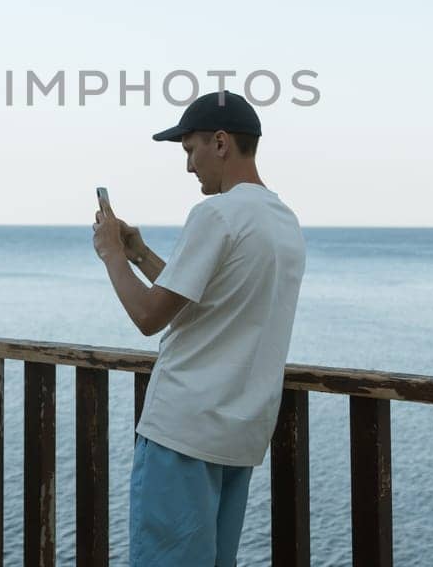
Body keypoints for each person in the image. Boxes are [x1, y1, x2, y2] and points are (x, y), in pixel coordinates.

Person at [92, 91, 307, 567]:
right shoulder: (284, 222)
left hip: (182, 432)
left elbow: (150, 316)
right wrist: (141, 255)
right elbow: (210, 300)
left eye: (191, 149)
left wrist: (110, 253)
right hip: (238, 436)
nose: (189, 165)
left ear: (222, 142)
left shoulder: (215, 214)